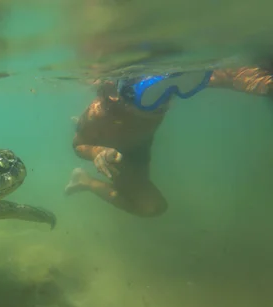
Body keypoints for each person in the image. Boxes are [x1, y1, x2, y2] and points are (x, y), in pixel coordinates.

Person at [64, 64, 273, 217]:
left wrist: (263, 83)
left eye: (170, 91)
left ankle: (110, 175)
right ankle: (84, 181)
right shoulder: (99, 112)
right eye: (153, 95)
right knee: (151, 208)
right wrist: (96, 153)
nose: (165, 100)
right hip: (116, 155)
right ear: (119, 97)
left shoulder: (166, 87)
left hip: (140, 150)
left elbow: (226, 76)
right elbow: (77, 144)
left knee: (150, 205)